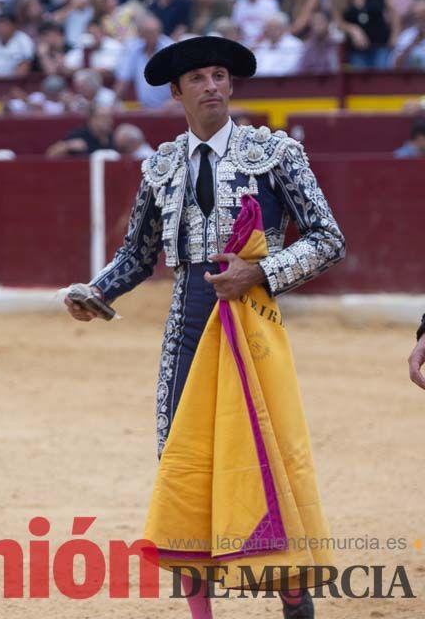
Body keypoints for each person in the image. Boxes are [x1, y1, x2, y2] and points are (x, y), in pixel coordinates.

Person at [65, 35, 344, 619]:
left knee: (260, 450)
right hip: (189, 321)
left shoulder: (276, 153)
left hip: (251, 321)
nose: (212, 86)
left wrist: (262, 271)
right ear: (177, 91)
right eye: (199, 78)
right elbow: (137, 254)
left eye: (220, 75)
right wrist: (98, 290)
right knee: (184, 459)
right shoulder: (161, 167)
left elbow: (327, 238)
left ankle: (294, 595)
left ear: (232, 85)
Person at [45, 103, 115, 157]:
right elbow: (50, 154)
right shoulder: (79, 135)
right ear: (91, 119)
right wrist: (68, 146)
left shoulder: (113, 137)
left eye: (109, 117)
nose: (108, 121)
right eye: (103, 117)